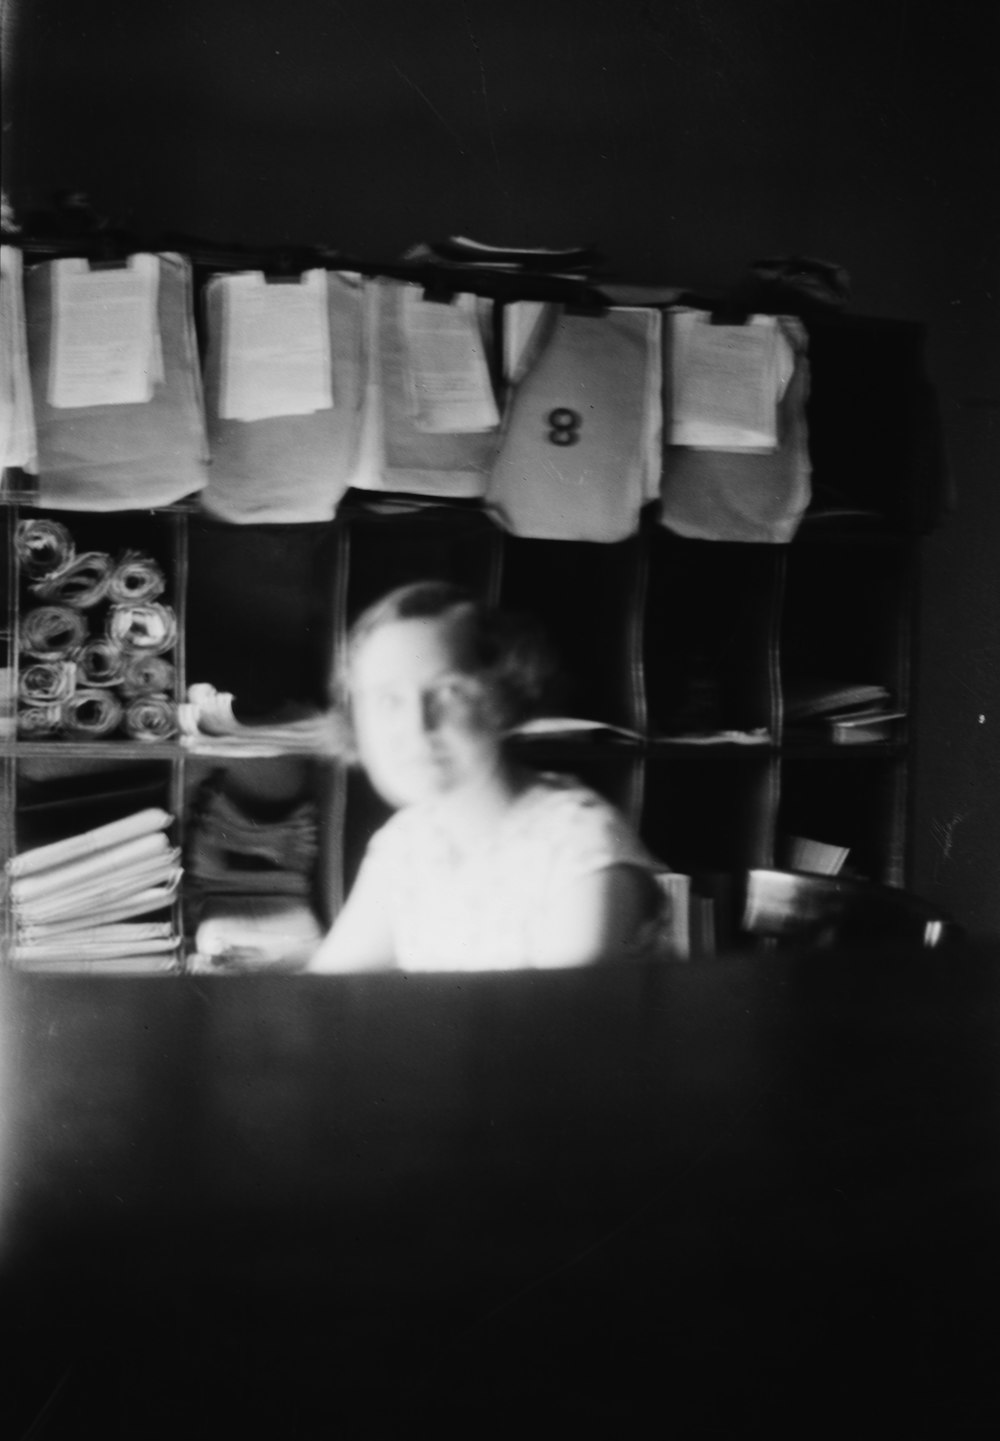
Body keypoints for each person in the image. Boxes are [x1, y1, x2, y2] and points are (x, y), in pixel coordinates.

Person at [308, 580, 669, 972]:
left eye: (449, 692)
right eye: (387, 699)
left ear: (503, 699)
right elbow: (324, 997)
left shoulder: (579, 847)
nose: (416, 726)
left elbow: (556, 1028)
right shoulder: (407, 842)